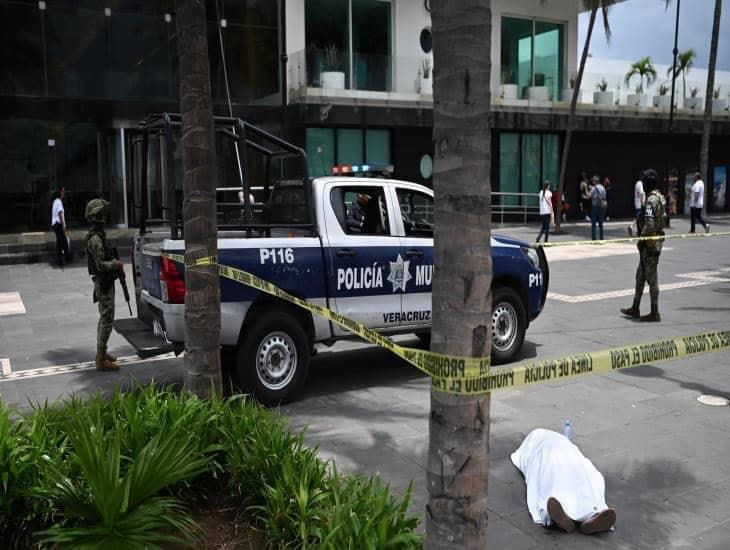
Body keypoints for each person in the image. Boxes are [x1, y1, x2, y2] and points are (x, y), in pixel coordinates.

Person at [511, 429, 617, 535]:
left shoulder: (534, 440)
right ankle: (591, 514)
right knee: (581, 476)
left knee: (551, 476)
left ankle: (558, 514)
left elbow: (527, 462)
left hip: (554, 453)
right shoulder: (550, 438)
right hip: (566, 454)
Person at [621, 169, 667, 322]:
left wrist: (641, 240)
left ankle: (655, 312)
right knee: (640, 276)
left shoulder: (651, 200)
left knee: (652, 278)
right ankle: (635, 307)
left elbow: (649, 223)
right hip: (655, 242)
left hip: (650, 244)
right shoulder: (659, 197)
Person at [85, 199, 124, 371]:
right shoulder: (95, 239)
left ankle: (102, 351)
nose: (105, 217)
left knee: (105, 318)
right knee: (107, 319)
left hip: (106, 281)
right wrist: (116, 264)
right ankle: (101, 358)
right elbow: (100, 265)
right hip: (103, 282)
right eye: (103, 214)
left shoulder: (99, 235)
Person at [50, 187, 69, 267]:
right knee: (61, 242)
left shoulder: (55, 202)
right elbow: (60, 214)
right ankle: (60, 260)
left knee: (62, 241)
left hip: (55, 224)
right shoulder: (59, 202)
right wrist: (63, 225)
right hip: (58, 224)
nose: (63, 193)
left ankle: (65, 257)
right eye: (62, 192)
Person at [589, 175, 606, 241]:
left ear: (595, 181)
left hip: (595, 207)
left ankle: (594, 238)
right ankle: (601, 237)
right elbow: (604, 196)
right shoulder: (602, 188)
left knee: (593, 223)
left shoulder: (593, 188)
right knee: (600, 223)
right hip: (601, 207)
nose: (592, 182)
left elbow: (589, 196)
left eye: (593, 181)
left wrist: (588, 191)